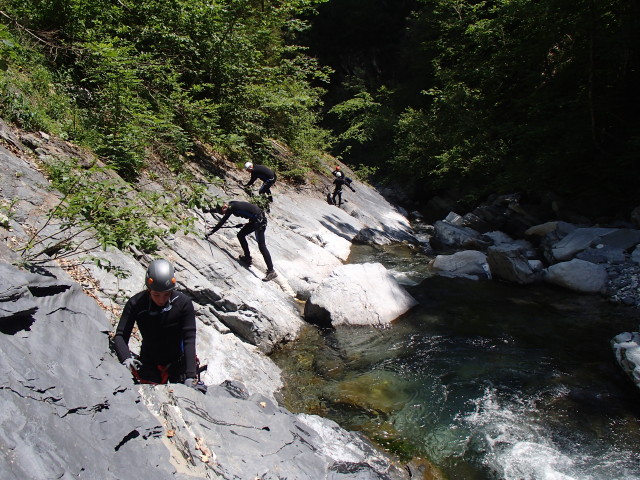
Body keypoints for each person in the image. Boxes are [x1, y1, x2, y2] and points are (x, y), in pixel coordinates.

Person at [113, 259, 206, 393]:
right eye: (156, 294)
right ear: (149, 289)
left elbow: (189, 339)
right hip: (149, 362)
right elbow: (121, 335)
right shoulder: (136, 304)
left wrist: (190, 375)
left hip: (178, 362)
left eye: (166, 294)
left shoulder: (182, 303)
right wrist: (126, 358)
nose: (161, 300)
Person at [206, 200, 277, 282]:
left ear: (224, 207)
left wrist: (211, 232)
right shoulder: (230, 204)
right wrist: (209, 210)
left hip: (259, 222)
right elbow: (219, 209)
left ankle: (271, 271)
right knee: (241, 235)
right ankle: (247, 258)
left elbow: (222, 222)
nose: (224, 213)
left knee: (261, 246)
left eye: (223, 212)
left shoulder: (231, 208)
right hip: (257, 218)